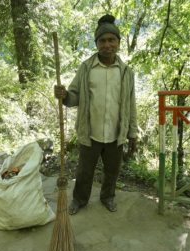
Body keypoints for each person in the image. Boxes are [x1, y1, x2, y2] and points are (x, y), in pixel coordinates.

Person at [54, 14, 137, 215]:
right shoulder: (87, 68)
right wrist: (64, 95)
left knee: (112, 171)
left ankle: (107, 197)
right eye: (102, 40)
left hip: (115, 133)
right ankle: (79, 200)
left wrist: (132, 133)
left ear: (118, 43)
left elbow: (131, 104)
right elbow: (74, 96)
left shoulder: (126, 72)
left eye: (111, 40)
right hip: (90, 132)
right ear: (96, 43)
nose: (107, 44)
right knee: (84, 171)